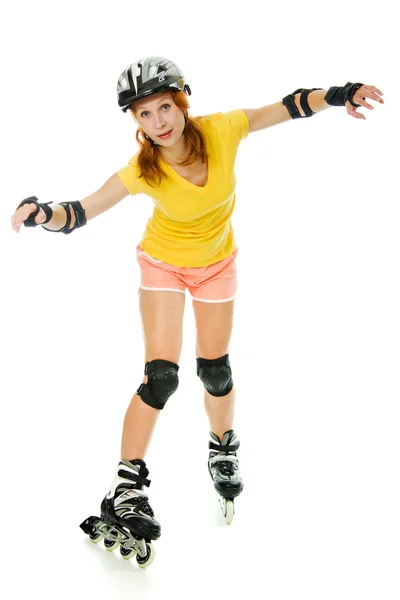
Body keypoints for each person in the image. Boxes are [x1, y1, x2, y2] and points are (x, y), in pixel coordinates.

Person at [11, 56, 384, 566]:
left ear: (182, 101)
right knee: (161, 377)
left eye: (164, 107)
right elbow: (82, 210)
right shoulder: (142, 170)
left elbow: (287, 108)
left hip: (216, 266)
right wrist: (43, 216)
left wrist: (341, 94)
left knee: (215, 371)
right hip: (162, 264)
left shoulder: (222, 130)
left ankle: (222, 446)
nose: (158, 122)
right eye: (143, 115)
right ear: (135, 122)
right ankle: (127, 487)